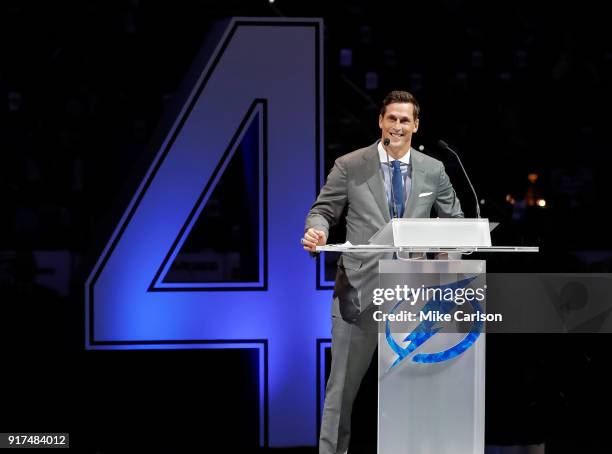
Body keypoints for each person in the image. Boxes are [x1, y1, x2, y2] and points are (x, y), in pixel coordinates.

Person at [302, 90, 464, 454]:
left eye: (405, 120)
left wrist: (445, 256)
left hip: (414, 297)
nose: (397, 126)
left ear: (416, 126)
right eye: (391, 118)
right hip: (359, 294)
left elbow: (454, 224)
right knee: (341, 391)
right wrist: (318, 231)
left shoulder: (433, 170)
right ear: (380, 121)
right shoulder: (350, 165)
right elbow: (323, 211)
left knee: (416, 390)